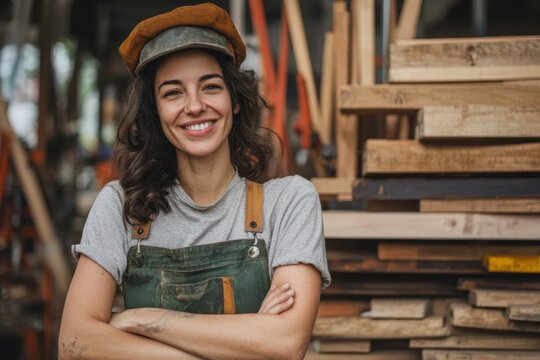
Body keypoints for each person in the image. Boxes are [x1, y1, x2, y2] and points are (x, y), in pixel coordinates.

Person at [58, 3, 330, 359]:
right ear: (155, 112)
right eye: (173, 92)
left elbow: (286, 343)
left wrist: (144, 320)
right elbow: (74, 343)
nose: (195, 105)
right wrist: (245, 343)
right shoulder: (120, 207)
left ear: (234, 100)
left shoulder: (289, 202)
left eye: (211, 86)